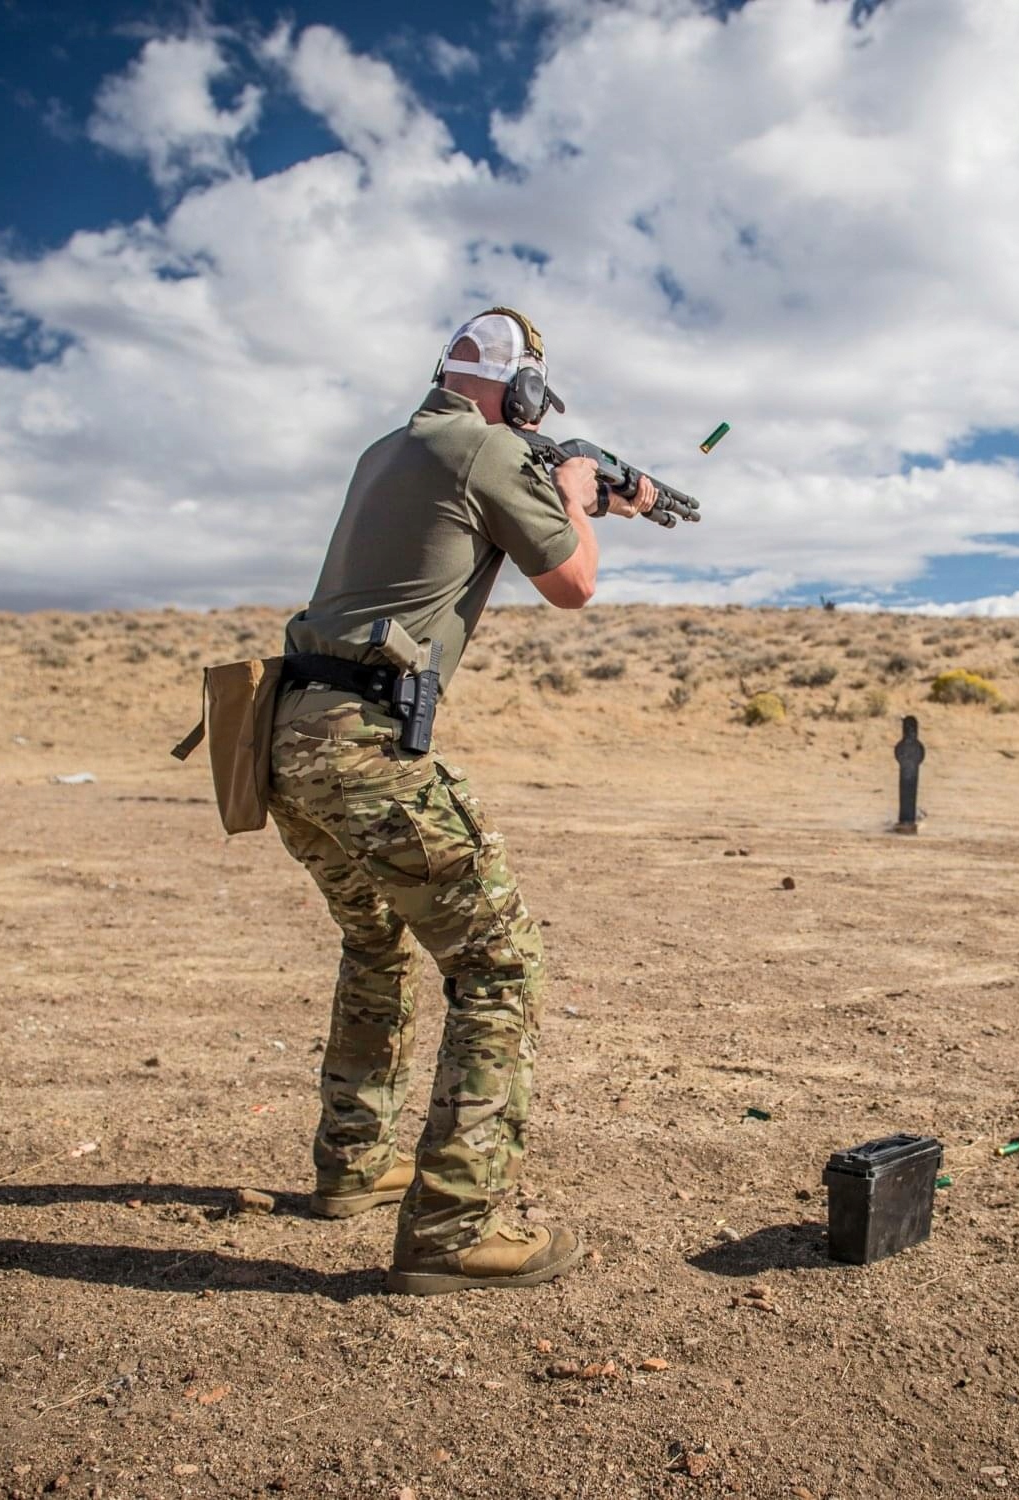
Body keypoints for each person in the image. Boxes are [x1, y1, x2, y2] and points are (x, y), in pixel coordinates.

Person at [269, 308, 658, 1295]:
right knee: (500, 962)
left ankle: (353, 1164)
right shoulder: (487, 450)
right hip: (365, 748)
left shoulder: (389, 448)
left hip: (288, 734)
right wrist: (574, 494)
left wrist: (581, 491)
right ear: (523, 392)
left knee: (378, 940)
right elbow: (572, 583)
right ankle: (451, 1227)